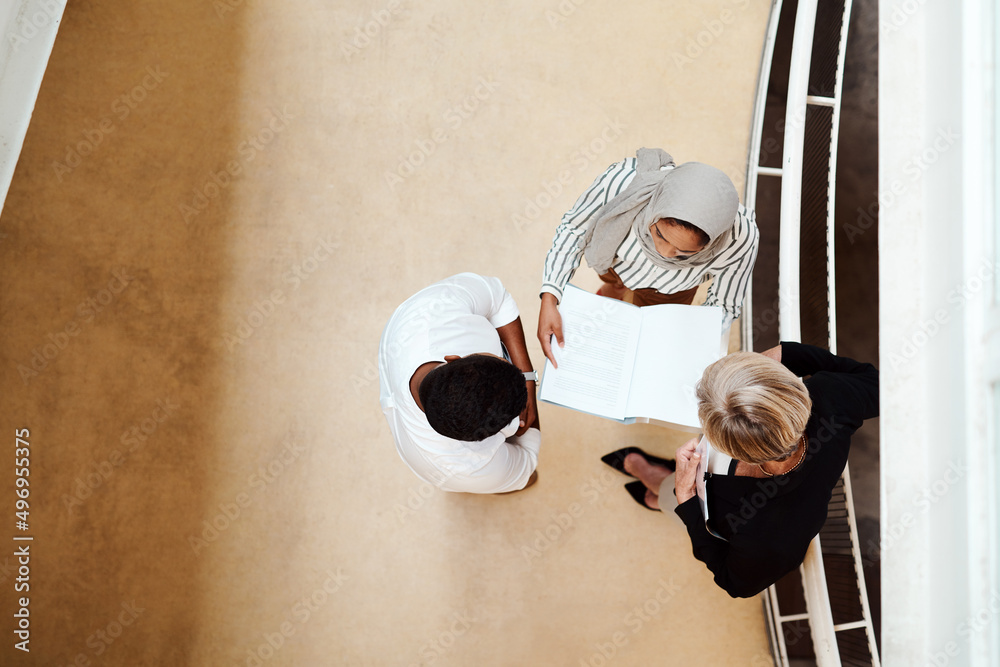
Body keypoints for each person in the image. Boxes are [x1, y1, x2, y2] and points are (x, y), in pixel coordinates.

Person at [602, 342, 878, 598]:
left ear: (728, 449)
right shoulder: (833, 394)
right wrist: (764, 369)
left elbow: (734, 583)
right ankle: (658, 490)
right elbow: (876, 383)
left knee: (667, 493)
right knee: (667, 491)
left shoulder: (767, 532)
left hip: (704, 506)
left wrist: (685, 497)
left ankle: (656, 483)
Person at [538, 147, 759, 366]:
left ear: (715, 241)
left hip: (670, 291)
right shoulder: (623, 184)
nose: (664, 254)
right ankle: (611, 293)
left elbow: (722, 306)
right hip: (614, 262)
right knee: (612, 286)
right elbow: (574, 229)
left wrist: (693, 349)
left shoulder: (740, 239)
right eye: (660, 234)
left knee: (648, 330)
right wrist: (550, 298)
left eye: (684, 253)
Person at [378, 273, 541, 494]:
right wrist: (529, 422)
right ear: (482, 439)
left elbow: (498, 298)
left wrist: (527, 379)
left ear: (454, 358)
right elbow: (528, 462)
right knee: (524, 479)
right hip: (468, 474)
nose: (520, 373)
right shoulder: (464, 468)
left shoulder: (430, 310)